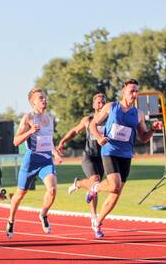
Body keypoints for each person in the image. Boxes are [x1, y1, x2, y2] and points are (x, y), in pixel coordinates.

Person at [86, 78, 162, 238]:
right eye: (131, 91)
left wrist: (153, 129)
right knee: (114, 185)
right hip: (109, 151)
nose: (134, 94)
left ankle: (97, 222)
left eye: (136, 91)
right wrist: (99, 137)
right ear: (123, 91)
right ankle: (94, 188)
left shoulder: (138, 114)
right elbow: (92, 125)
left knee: (116, 193)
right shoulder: (111, 107)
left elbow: (143, 138)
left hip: (126, 155)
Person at [6, 88, 62, 238]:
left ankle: (43, 214)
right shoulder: (28, 117)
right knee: (20, 194)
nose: (44, 100)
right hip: (31, 161)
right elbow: (16, 141)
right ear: (33, 103)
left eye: (45, 97)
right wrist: (30, 131)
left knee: (52, 190)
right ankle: (11, 219)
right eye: (40, 98)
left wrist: (55, 154)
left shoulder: (50, 118)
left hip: (46, 161)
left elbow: (48, 141)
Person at [57, 93, 107, 234]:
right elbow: (74, 131)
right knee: (95, 181)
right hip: (88, 156)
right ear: (93, 105)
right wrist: (62, 141)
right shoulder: (88, 120)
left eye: (103, 102)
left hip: (103, 158)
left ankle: (78, 183)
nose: (101, 104)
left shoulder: (109, 120)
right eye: (98, 102)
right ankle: (94, 219)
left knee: (95, 189)